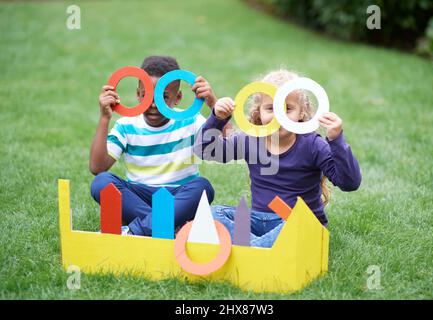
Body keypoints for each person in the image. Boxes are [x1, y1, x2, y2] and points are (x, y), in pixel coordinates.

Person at [194, 69, 362, 247]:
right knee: (214, 213)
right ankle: (259, 247)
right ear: (259, 112)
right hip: (259, 220)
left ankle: (250, 248)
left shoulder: (313, 145)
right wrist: (217, 118)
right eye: (270, 108)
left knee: (298, 230)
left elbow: (349, 183)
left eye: (287, 109)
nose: (278, 116)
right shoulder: (251, 139)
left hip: (297, 223)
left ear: (301, 113)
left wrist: (336, 141)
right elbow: (205, 150)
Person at [90, 55, 218, 236]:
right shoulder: (127, 126)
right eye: (145, 95)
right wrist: (104, 118)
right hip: (139, 196)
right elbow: (97, 167)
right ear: (137, 94)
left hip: (178, 196)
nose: (152, 104)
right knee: (102, 183)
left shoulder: (192, 121)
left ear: (178, 97)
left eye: (163, 97)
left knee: (202, 187)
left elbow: (228, 144)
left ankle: (136, 230)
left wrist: (214, 104)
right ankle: (167, 226)